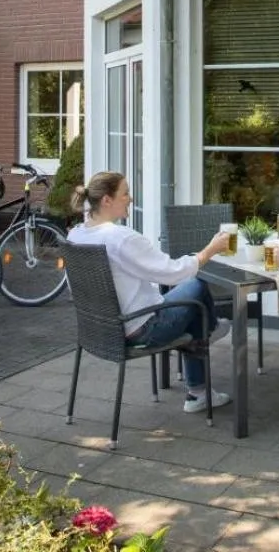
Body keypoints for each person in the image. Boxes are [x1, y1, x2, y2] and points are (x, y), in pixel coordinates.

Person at [68, 171, 234, 413]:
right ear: (106, 200)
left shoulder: (75, 235)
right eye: (125, 193)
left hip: (100, 330)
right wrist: (209, 250)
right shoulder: (120, 238)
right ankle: (208, 338)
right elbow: (172, 272)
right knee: (196, 287)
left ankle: (200, 372)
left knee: (191, 308)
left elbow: (75, 287)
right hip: (142, 330)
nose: (131, 198)